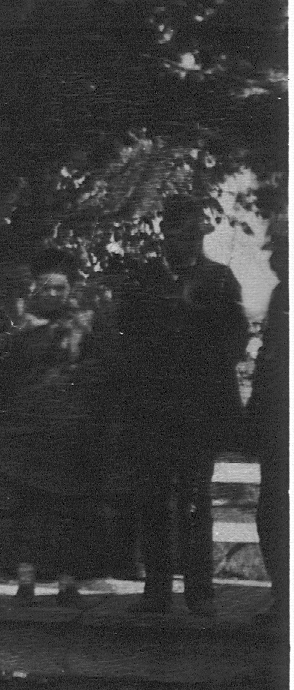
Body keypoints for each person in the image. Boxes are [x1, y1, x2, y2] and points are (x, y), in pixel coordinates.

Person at [97, 193, 248, 614]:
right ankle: (157, 591)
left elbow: (236, 342)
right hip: (152, 411)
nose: (182, 238)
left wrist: (202, 334)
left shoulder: (220, 279)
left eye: (191, 229)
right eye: (174, 229)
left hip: (197, 412)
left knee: (194, 500)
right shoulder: (144, 279)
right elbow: (121, 336)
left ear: (200, 233)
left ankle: (200, 593)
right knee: (153, 500)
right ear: (164, 233)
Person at [0, 248, 104, 606]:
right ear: (34, 288)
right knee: (25, 508)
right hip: (27, 430)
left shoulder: (84, 325)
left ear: (70, 290)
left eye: (60, 289)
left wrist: (77, 387)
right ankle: (26, 583)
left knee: (67, 508)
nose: (52, 295)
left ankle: (67, 583)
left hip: (67, 430)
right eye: (46, 288)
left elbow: (99, 369)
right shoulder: (18, 325)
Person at [255, 217, 285, 616]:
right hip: (278, 428)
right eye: (276, 250)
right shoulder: (281, 296)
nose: (279, 259)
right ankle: (283, 595)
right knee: (273, 511)